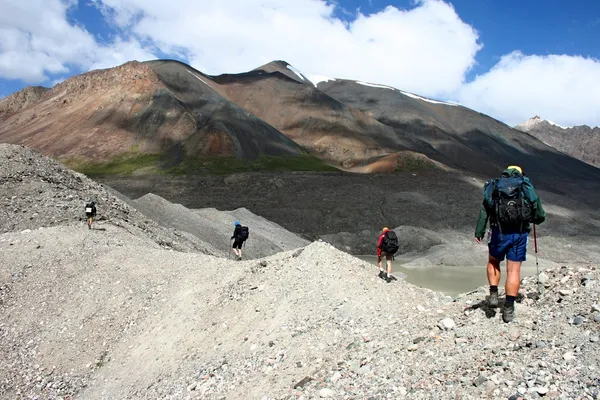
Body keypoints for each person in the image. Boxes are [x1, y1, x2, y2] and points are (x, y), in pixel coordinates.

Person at [474, 165, 546, 322]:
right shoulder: (525, 186)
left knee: (493, 261)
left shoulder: (495, 186)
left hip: (498, 233)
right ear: (520, 174)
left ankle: (493, 293)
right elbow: (540, 215)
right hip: (519, 235)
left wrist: (479, 231)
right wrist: (532, 218)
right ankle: (508, 307)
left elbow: (485, 210)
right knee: (513, 271)